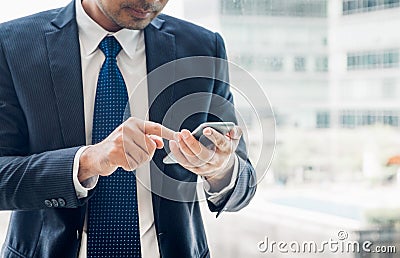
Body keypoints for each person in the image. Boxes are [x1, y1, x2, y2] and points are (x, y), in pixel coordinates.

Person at [0, 0, 257, 257]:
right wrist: (87, 162)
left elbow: (243, 186)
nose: (152, 2)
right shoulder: (12, 44)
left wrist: (221, 169)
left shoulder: (202, 48)